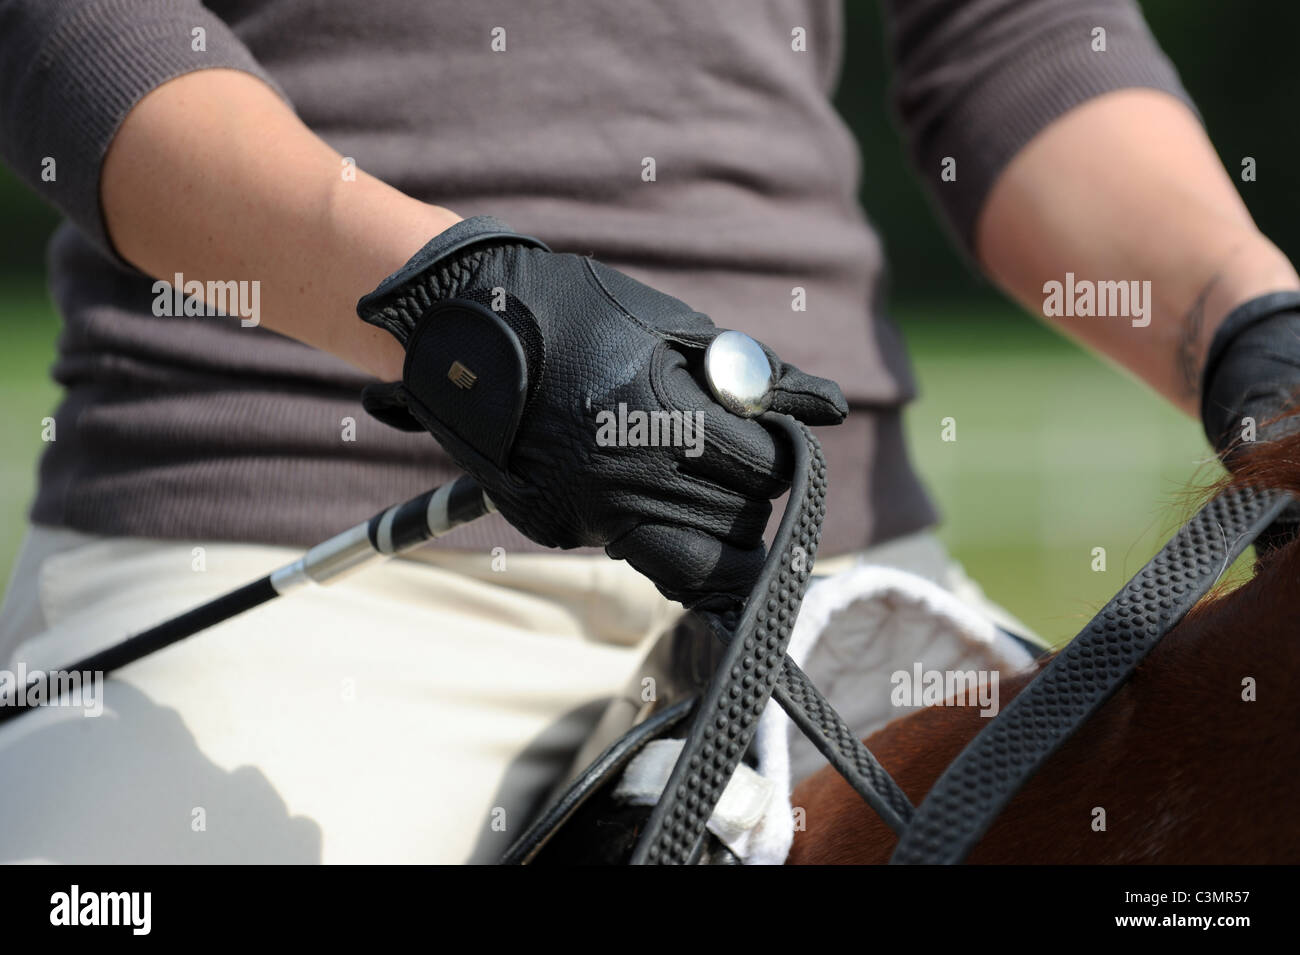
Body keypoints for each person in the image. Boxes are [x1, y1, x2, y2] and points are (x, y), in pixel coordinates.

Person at [0, 1, 1295, 863]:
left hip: (834, 561)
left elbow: (1020, 38)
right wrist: (471, 323)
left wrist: (1252, 327)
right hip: (292, 520)